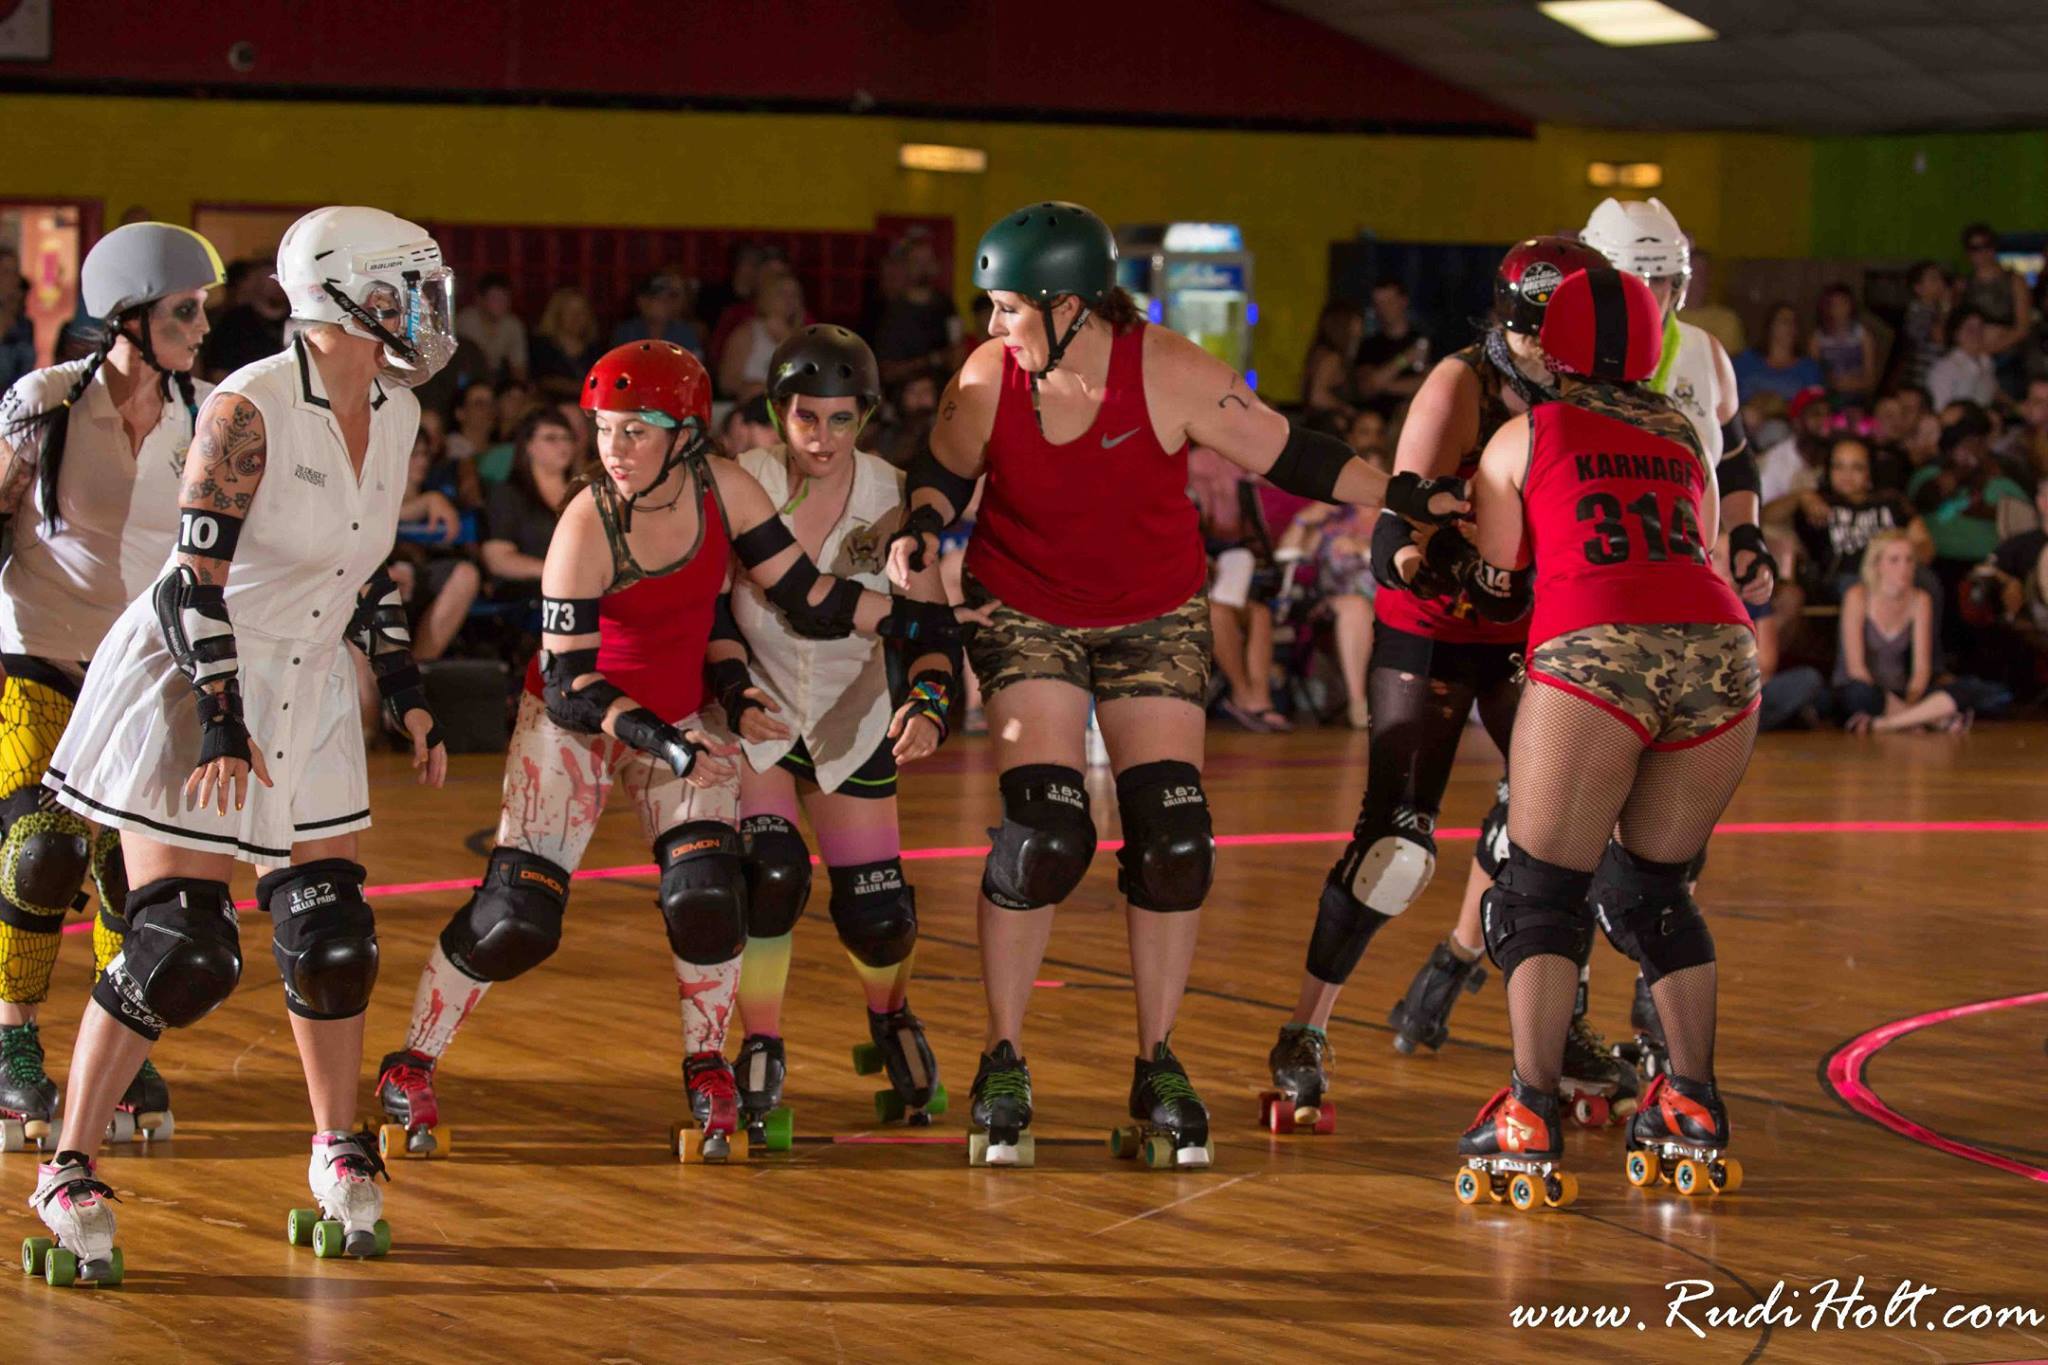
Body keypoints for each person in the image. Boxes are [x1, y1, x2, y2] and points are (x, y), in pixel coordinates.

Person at [887, 201, 1416, 1168]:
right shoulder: (988, 376)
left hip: (1154, 611)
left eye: (1011, 307)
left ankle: (1158, 1060)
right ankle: (1003, 1056)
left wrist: (1408, 495)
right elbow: (942, 469)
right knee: (1045, 829)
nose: (996, 325)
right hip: (1026, 607)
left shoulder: (1164, 366)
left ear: (1073, 305)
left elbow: (1285, 449)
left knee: (1173, 838)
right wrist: (920, 520)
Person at [370, 340, 973, 1163]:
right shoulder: (586, 519)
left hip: (684, 715)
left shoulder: (724, 487)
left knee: (708, 894)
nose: (615, 451)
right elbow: (574, 681)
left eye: (638, 431)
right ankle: (411, 1060)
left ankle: (708, 1065)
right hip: (580, 722)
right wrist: (664, 739)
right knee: (520, 914)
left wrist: (916, 627)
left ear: (685, 435)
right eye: (607, 431)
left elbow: (802, 592)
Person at [27, 206, 456, 1281]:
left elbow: (360, 573)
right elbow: (189, 582)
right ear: (346, 293)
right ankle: (66, 1162)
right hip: (199, 675)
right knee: (183, 946)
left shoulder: (395, 413)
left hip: (307, 683)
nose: (424, 310)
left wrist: (404, 688)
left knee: (332, 932)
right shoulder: (249, 406)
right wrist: (221, 714)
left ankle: (336, 1147)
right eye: (406, 287)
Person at [1263, 238, 1615, 1134]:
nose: (1564, 357)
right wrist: (1442, 548)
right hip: (1430, 631)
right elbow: (1392, 536)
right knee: (1397, 846)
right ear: (1513, 326)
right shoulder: (1460, 385)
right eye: (1552, 339)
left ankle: (1559, 1031)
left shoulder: (1588, 390)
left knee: (1566, 829)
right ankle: (1305, 1032)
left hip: (1526, 636)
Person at [1427, 266, 1758, 1208]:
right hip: (1723, 653)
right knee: (1650, 890)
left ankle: (1529, 1110)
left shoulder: (1522, 434)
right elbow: (1688, 545)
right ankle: (1690, 1100)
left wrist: (1440, 547)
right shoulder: (1684, 434)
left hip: (1598, 652)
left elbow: (1500, 577)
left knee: (1538, 894)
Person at [0, 223, 224, 1160]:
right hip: (39, 657)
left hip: (141, 675)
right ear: (127, 314)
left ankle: (119, 1034)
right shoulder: (45, 402)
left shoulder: (212, 412)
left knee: (128, 874)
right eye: (186, 309)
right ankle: (13, 1034)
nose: (203, 325)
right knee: (41, 854)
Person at [721, 325, 961, 1139]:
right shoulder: (744, 481)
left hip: (853, 714)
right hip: (759, 709)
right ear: (776, 414)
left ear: (866, 418)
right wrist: (727, 690)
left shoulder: (895, 496)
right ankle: (759, 1041)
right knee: (770, 876)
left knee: (878, 911)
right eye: (805, 420)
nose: (822, 440)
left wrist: (929, 702)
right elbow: (715, 609)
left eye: (841, 420)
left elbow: (933, 628)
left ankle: (890, 1015)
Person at [1836, 530, 2010, 733]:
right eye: (1894, 560)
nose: (1904, 568)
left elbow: (1921, 670)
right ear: (1877, 565)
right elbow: (1856, 669)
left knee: (1985, 692)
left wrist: (1909, 702)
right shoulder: (1857, 597)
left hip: (1904, 691)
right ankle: (1929, 719)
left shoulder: (1920, 599)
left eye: (1909, 560)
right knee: (1859, 694)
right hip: (1865, 690)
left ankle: (1887, 724)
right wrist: (1906, 708)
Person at [479, 409, 578, 599]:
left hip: (580, 585)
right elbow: (497, 559)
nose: (562, 445)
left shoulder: (583, 493)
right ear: (528, 446)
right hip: (529, 591)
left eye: (567, 437)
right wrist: (557, 573)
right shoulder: (508, 494)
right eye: (551, 438)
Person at [718, 269, 805, 402]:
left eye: (794, 294)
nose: (790, 300)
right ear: (767, 296)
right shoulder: (746, 333)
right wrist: (756, 388)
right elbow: (727, 383)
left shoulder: (805, 337)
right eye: (782, 293)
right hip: (754, 407)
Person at [1354, 280, 1428, 409]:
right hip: (1376, 419)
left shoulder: (1423, 341)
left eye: (1389, 302)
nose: (1384, 309)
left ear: (1403, 301)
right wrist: (1404, 359)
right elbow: (1367, 386)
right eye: (1378, 304)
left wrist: (1382, 383)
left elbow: (1427, 384)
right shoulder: (1369, 346)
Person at [1732, 302, 1823, 403]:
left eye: (1794, 322)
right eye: (1785, 321)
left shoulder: (1808, 368)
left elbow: (1816, 408)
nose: (1790, 326)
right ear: (1770, 326)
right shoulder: (1745, 362)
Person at [454, 272, 529, 385]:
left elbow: (519, 367)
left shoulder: (513, 325)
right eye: (495, 299)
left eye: (505, 299)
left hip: (497, 378)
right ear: (480, 300)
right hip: (467, 378)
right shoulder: (466, 320)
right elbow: (466, 361)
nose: (501, 304)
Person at [528, 287, 604, 396]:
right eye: (569, 312)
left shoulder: (596, 349)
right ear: (557, 315)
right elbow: (543, 381)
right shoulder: (541, 346)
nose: (576, 317)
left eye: (581, 312)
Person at [1811, 285, 1878, 404]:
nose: (1840, 309)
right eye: (1834, 304)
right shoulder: (1818, 337)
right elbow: (1812, 374)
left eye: (1844, 303)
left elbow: (1871, 378)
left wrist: (1852, 384)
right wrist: (1832, 383)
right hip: (1828, 395)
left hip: (1857, 395)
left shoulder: (1863, 335)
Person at [1300, 301, 1363, 418]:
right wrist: (1346, 409)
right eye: (1356, 321)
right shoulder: (1332, 358)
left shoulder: (1320, 353)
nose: (1360, 327)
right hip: (1326, 424)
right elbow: (1317, 396)